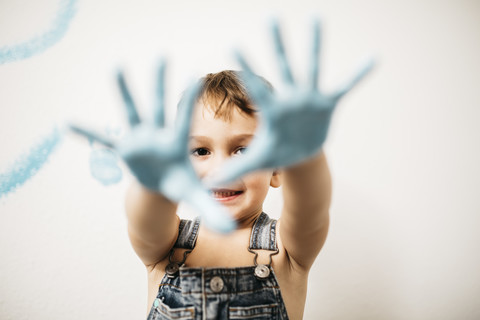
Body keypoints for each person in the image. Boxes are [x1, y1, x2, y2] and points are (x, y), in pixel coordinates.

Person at [70, 20, 373, 320]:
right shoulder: (166, 244)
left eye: (243, 150)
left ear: (278, 169)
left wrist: (304, 155)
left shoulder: (287, 248)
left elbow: (311, 206)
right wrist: (153, 185)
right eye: (200, 151)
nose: (222, 168)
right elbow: (144, 221)